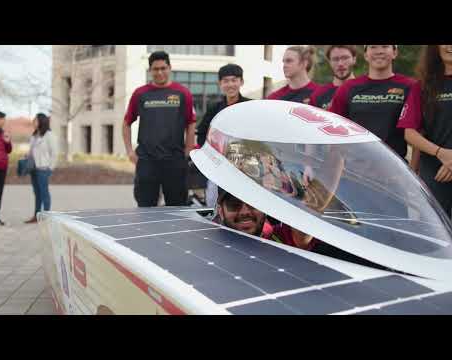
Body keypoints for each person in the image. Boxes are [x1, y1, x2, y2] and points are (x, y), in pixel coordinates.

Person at [215, 188, 386, 268]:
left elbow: (306, 218)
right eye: (234, 204)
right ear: (220, 211)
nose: (245, 212)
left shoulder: (279, 238)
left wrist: (335, 157)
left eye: (253, 204)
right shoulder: (205, 239)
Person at [123, 51, 196, 207]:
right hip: (147, 161)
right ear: (150, 70)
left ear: (170, 68)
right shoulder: (140, 94)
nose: (160, 72)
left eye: (163, 68)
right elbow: (127, 122)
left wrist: (189, 149)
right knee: (145, 208)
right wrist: (129, 151)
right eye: (156, 69)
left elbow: (191, 122)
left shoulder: (183, 93)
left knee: (177, 208)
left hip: (175, 160)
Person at [328, 45, 416, 159]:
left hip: (395, 168)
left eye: (385, 47)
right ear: (365, 55)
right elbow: (333, 132)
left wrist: (414, 169)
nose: (379, 51)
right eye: (373, 47)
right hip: (355, 167)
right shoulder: (348, 88)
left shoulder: (409, 86)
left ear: (395, 52)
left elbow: (418, 132)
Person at [397, 45, 452, 217]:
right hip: (435, 176)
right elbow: (410, 133)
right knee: (438, 238)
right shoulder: (422, 87)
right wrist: (441, 153)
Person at [196, 64, 251, 206]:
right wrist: (210, 155)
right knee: (215, 202)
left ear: (241, 82)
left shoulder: (249, 106)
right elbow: (202, 133)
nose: (230, 84)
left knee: (244, 203)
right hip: (219, 166)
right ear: (220, 84)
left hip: (245, 168)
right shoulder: (214, 108)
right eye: (226, 81)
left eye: (234, 80)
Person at [24, 113, 59, 224]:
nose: (33, 122)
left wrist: (50, 168)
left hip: (44, 168)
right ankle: (37, 216)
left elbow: (55, 153)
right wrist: (28, 155)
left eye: (35, 120)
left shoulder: (49, 135)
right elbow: (32, 150)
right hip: (33, 168)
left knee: (44, 193)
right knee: (37, 193)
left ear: (41, 122)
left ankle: (47, 217)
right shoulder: (34, 136)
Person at [309, 45, 357, 110]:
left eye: (345, 58)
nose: (340, 64)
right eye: (335, 59)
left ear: (354, 59)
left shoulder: (365, 91)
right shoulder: (318, 95)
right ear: (329, 62)